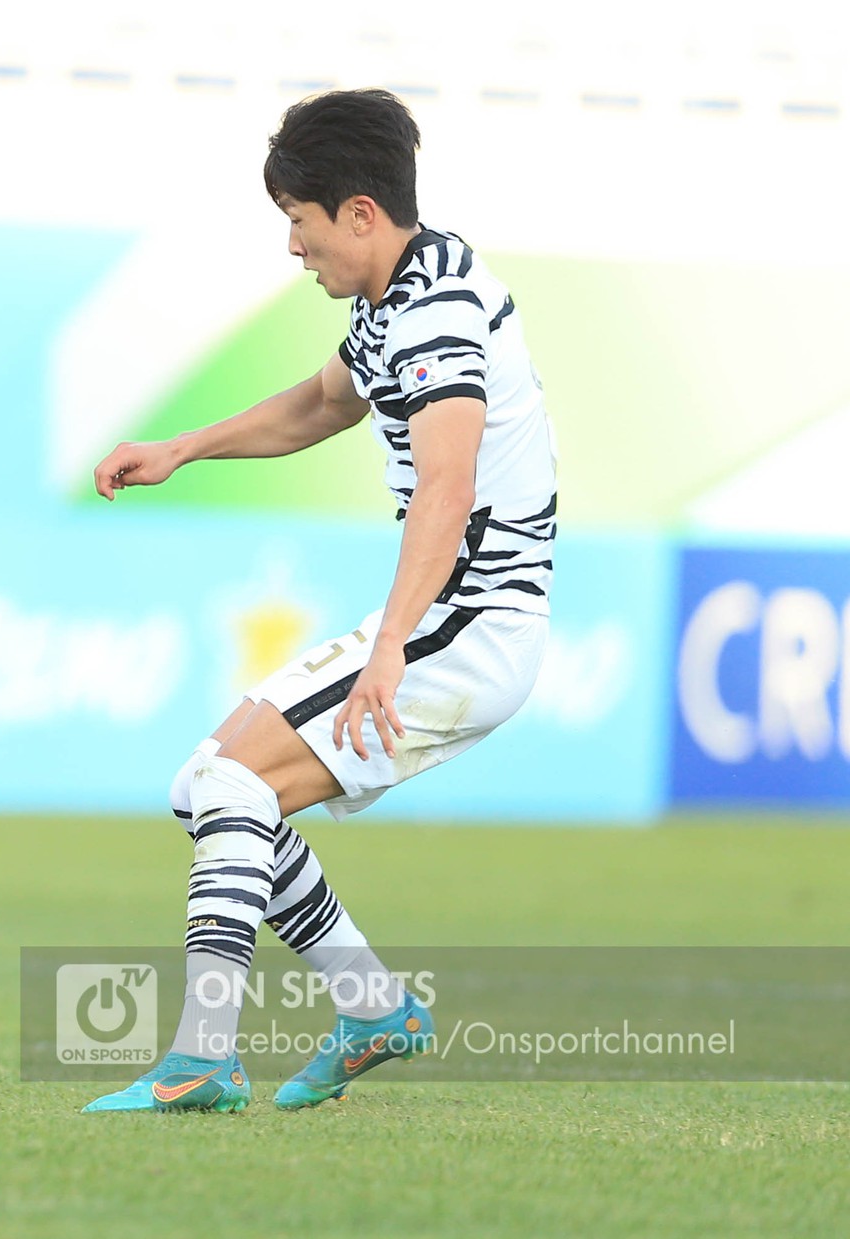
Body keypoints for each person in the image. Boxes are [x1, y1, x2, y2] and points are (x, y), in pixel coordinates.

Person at [83, 89, 555, 1113]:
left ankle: (203, 1058)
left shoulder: (430, 309)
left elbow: (446, 483)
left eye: (295, 220)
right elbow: (318, 404)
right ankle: (368, 1007)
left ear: (355, 212)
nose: (293, 248)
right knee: (210, 789)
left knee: (224, 783)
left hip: (461, 624)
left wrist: (390, 645)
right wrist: (181, 447)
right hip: (454, 622)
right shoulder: (402, 293)